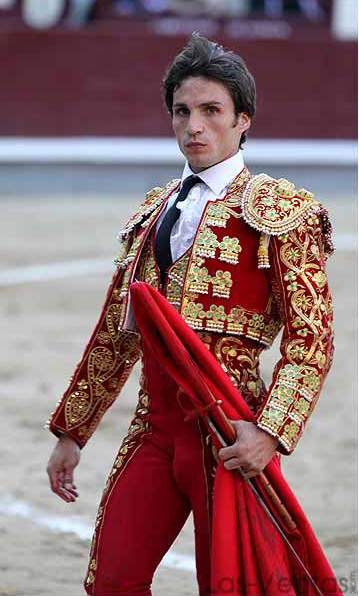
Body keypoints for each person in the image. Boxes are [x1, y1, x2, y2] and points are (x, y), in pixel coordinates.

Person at [46, 33, 334, 595]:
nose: (193, 126)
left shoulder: (282, 210)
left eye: (210, 111)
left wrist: (269, 433)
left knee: (231, 584)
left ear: (242, 120)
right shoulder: (153, 212)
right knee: (113, 580)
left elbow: (311, 339)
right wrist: (72, 433)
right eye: (182, 111)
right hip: (154, 429)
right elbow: (115, 332)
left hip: (227, 432)